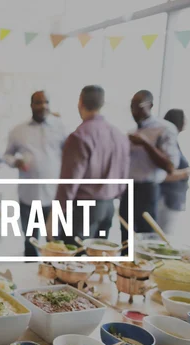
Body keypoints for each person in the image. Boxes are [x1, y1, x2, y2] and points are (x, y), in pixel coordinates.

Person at [52, 85, 130, 243]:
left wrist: (55, 216)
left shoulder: (79, 136)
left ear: (80, 102)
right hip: (108, 207)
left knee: (73, 261)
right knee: (97, 260)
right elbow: (123, 178)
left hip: (83, 210)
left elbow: (69, 183)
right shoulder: (119, 135)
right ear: (102, 104)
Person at [4, 91, 67, 256]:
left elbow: (69, 157)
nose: (43, 106)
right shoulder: (18, 130)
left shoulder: (61, 128)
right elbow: (6, 155)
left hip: (54, 196)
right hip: (28, 196)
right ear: (31, 105)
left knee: (55, 243)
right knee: (30, 241)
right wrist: (15, 161)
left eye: (46, 102)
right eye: (38, 102)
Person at [120, 90, 180, 243]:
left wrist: (145, 144)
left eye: (138, 106)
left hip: (148, 190)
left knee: (145, 237)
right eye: (131, 106)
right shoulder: (132, 132)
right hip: (128, 189)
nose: (134, 111)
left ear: (150, 105)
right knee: (125, 234)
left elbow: (170, 166)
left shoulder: (164, 129)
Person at [158, 109, 190, 235]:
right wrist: (189, 171)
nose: (187, 121)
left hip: (172, 199)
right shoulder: (167, 143)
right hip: (166, 198)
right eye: (184, 118)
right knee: (162, 237)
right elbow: (163, 175)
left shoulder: (173, 142)